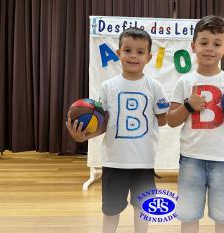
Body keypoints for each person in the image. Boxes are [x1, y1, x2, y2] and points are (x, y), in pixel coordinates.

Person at [66, 27, 170, 233]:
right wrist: (82, 136)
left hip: (144, 162)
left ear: (148, 57)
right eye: (128, 50)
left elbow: (163, 120)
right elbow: (103, 124)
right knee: (111, 210)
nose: (133, 56)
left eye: (140, 52)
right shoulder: (107, 86)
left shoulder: (155, 86)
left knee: (144, 208)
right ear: (118, 53)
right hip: (114, 162)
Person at [167, 15, 224, 233]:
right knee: (188, 215)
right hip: (191, 158)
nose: (209, 49)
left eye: (216, 44)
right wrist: (188, 106)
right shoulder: (185, 82)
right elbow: (171, 120)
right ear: (193, 46)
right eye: (204, 42)